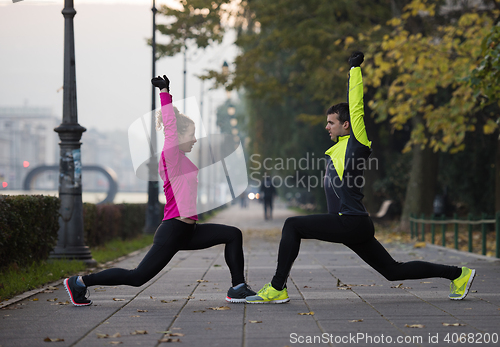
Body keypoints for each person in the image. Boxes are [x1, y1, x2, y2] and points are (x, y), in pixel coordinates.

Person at [246, 52, 475, 304]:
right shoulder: (336, 150)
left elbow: (355, 106)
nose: (327, 127)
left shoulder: (357, 143)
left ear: (346, 125)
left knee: (292, 225)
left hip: (350, 221)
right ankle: (458, 274)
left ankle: (277, 287)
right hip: (353, 223)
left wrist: (354, 69)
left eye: (331, 122)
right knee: (392, 271)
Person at [63, 75, 255, 306]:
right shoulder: (171, 156)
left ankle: (238, 288)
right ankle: (80, 282)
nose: (195, 139)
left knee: (233, 234)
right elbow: (171, 128)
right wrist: (165, 92)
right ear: (177, 137)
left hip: (189, 230)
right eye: (191, 135)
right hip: (173, 230)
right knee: (137, 278)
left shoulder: (183, 160)